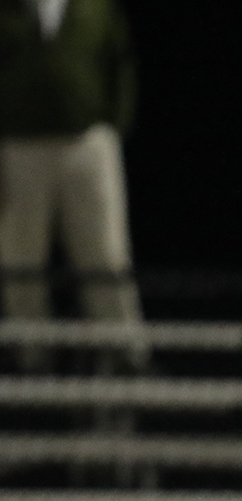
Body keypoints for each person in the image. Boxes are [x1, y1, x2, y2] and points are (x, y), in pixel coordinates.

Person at [0, 0, 143, 370]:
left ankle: (125, 356)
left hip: (87, 141)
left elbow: (120, 62)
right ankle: (32, 359)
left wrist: (114, 123)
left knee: (106, 254)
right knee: (20, 257)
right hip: (19, 146)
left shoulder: (95, 7)